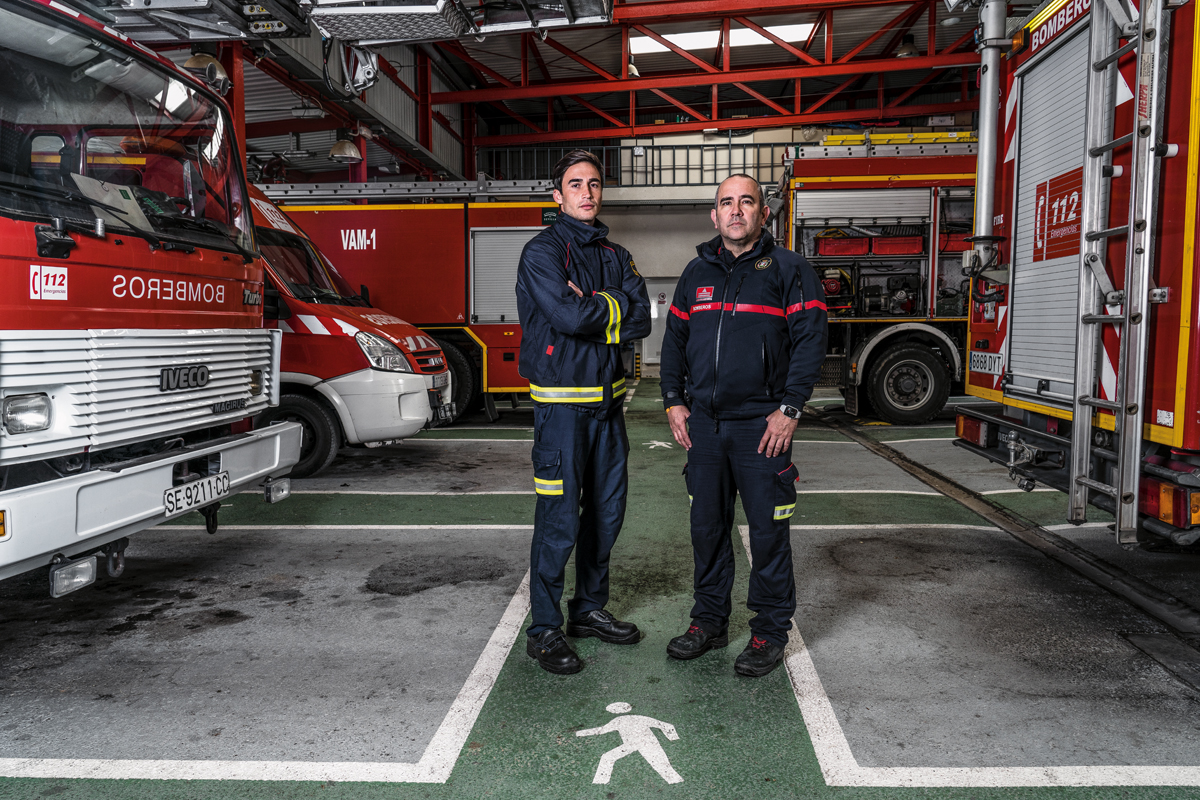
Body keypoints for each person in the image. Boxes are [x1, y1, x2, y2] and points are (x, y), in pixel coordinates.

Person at [659, 173, 828, 677]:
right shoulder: (695, 273)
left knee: (767, 533)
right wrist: (673, 400)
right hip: (705, 428)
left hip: (763, 426)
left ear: (763, 213)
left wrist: (790, 407)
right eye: (726, 203)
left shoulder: (790, 269)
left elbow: (810, 342)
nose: (736, 211)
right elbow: (673, 343)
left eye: (746, 202)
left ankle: (769, 632)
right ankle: (708, 622)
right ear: (714, 215)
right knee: (707, 530)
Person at [516, 150, 652, 674]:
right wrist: (609, 303)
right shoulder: (541, 253)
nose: (587, 193)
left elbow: (642, 318)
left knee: (606, 515)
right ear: (558, 195)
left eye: (595, 184)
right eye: (576, 184)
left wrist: (598, 302)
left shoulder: (617, 253)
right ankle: (545, 629)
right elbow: (569, 317)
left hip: (607, 409)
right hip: (561, 413)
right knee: (558, 524)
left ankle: (588, 609)